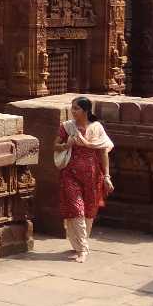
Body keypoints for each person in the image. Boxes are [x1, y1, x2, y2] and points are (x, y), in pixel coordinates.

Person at [55, 96, 114, 262]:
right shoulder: (67, 127)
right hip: (69, 173)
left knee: (89, 212)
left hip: (92, 175)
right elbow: (55, 146)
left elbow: (103, 153)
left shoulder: (97, 128)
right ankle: (83, 249)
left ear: (86, 111)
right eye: (72, 108)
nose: (73, 111)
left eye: (76, 108)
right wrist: (68, 144)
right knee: (76, 209)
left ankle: (79, 243)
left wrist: (107, 176)